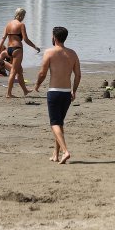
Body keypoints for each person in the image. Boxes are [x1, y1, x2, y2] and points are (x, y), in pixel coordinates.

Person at [34, 26, 81, 165]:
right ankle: (55, 154)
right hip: (66, 93)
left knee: (54, 123)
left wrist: (37, 85)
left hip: (54, 92)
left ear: (54, 37)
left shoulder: (49, 52)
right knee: (59, 123)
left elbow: (42, 73)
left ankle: (65, 151)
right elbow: (78, 75)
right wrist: (74, 90)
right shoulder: (72, 53)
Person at [0, 7, 40, 98]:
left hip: (9, 49)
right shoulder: (21, 25)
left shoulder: (8, 24)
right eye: (23, 15)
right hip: (17, 49)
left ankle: (25, 90)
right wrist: (35, 47)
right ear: (20, 15)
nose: (24, 17)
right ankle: (8, 93)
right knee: (13, 71)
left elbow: (3, 38)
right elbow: (26, 40)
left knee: (19, 71)